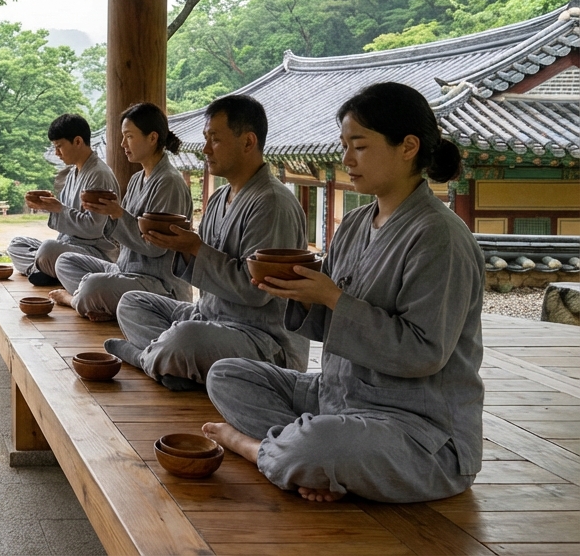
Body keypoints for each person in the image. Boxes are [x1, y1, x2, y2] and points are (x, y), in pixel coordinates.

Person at [204, 82, 483, 504]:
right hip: (339, 398)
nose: (346, 160)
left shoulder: (439, 236)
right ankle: (317, 461)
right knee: (227, 375)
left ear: (408, 146)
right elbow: (323, 318)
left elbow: (425, 352)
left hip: (418, 431)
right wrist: (294, 292)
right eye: (343, 145)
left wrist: (335, 298)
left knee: (321, 443)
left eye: (359, 146)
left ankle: (263, 449)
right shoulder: (355, 224)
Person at [105, 95, 308, 391]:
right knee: (133, 304)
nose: (205, 149)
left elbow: (256, 293)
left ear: (248, 142)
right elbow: (203, 264)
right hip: (208, 316)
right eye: (205, 138)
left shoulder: (272, 203)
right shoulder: (217, 199)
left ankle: (145, 358)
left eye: (214, 139)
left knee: (185, 338)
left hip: (260, 338)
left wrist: (194, 248)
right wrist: (182, 245)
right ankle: (174, 365)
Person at [50, 103, 193, 321]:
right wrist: (106, 212)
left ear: (152, 138)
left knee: (92, 285)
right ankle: (106, 306)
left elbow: (155, 248)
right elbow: (119, 230)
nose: (122, 144)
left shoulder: (169, 183)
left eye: (129, 136)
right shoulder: (137, 179)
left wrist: (117, 214)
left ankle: (74, 300)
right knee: (66, 261)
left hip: (159, 284)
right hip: (125, 270)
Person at [7, 113, 121, 285]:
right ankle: (46, 269)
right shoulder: (73, 173)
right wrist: (47, 205)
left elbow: (94, 229)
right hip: (70, 247)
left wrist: (59, 209)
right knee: (16, 244)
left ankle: (47, 269)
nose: (56, 153)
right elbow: (65, 211)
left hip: (95, 253)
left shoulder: (99, 175)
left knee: (48, 250)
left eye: (59, 146)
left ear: (77, 141)